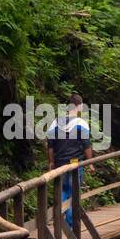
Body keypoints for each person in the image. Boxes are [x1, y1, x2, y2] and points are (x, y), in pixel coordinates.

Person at [45, 94, 90, 228]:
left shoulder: (55, 123)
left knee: (62, 190)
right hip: (75, 163)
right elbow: (86, 145)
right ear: (80, 106)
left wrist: (52, 162)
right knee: (74, 192)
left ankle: (59, 219)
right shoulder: (80, 123)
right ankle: (70, 224)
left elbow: (51, 146)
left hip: (59, 163)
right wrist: (90, 162)